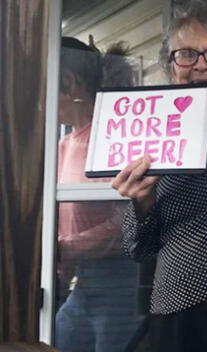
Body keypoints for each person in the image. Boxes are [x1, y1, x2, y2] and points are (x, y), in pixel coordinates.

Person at [111, 3, 207, 351]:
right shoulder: (156, 138)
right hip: (182, 304)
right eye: (185, 54)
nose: (201, 64)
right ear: (172, 69)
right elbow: (137, 248)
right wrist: (141, 201)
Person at [55, 36, 144, 352]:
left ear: (68, 82)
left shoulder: (113, 138)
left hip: (117, 285)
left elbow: (129, 217)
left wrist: (68, 247)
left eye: (46, 85)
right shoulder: (63, 146)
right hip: (78, 285)